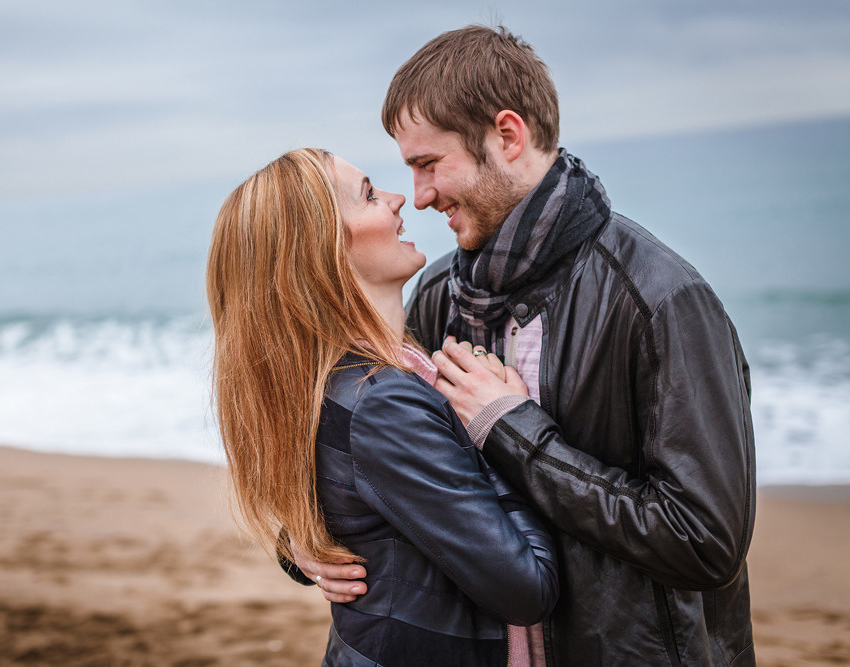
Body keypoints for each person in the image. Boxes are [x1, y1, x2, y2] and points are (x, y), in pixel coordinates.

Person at [291, 25, 756, 665]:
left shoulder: (659, 301)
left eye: (429, 164)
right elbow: (370, 445)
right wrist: (304, 538)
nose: (420, 197)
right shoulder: (437, 296)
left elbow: (705, 541)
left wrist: (515, 432)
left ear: (507, 136)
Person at [206, 147, 559, 666]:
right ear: (322, 250)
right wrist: (505, 427)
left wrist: (301, 543)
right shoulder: (384, 398)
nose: (400, 201)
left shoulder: (327, 378)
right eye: (370, 195)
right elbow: (529, 589)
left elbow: (353, 497)